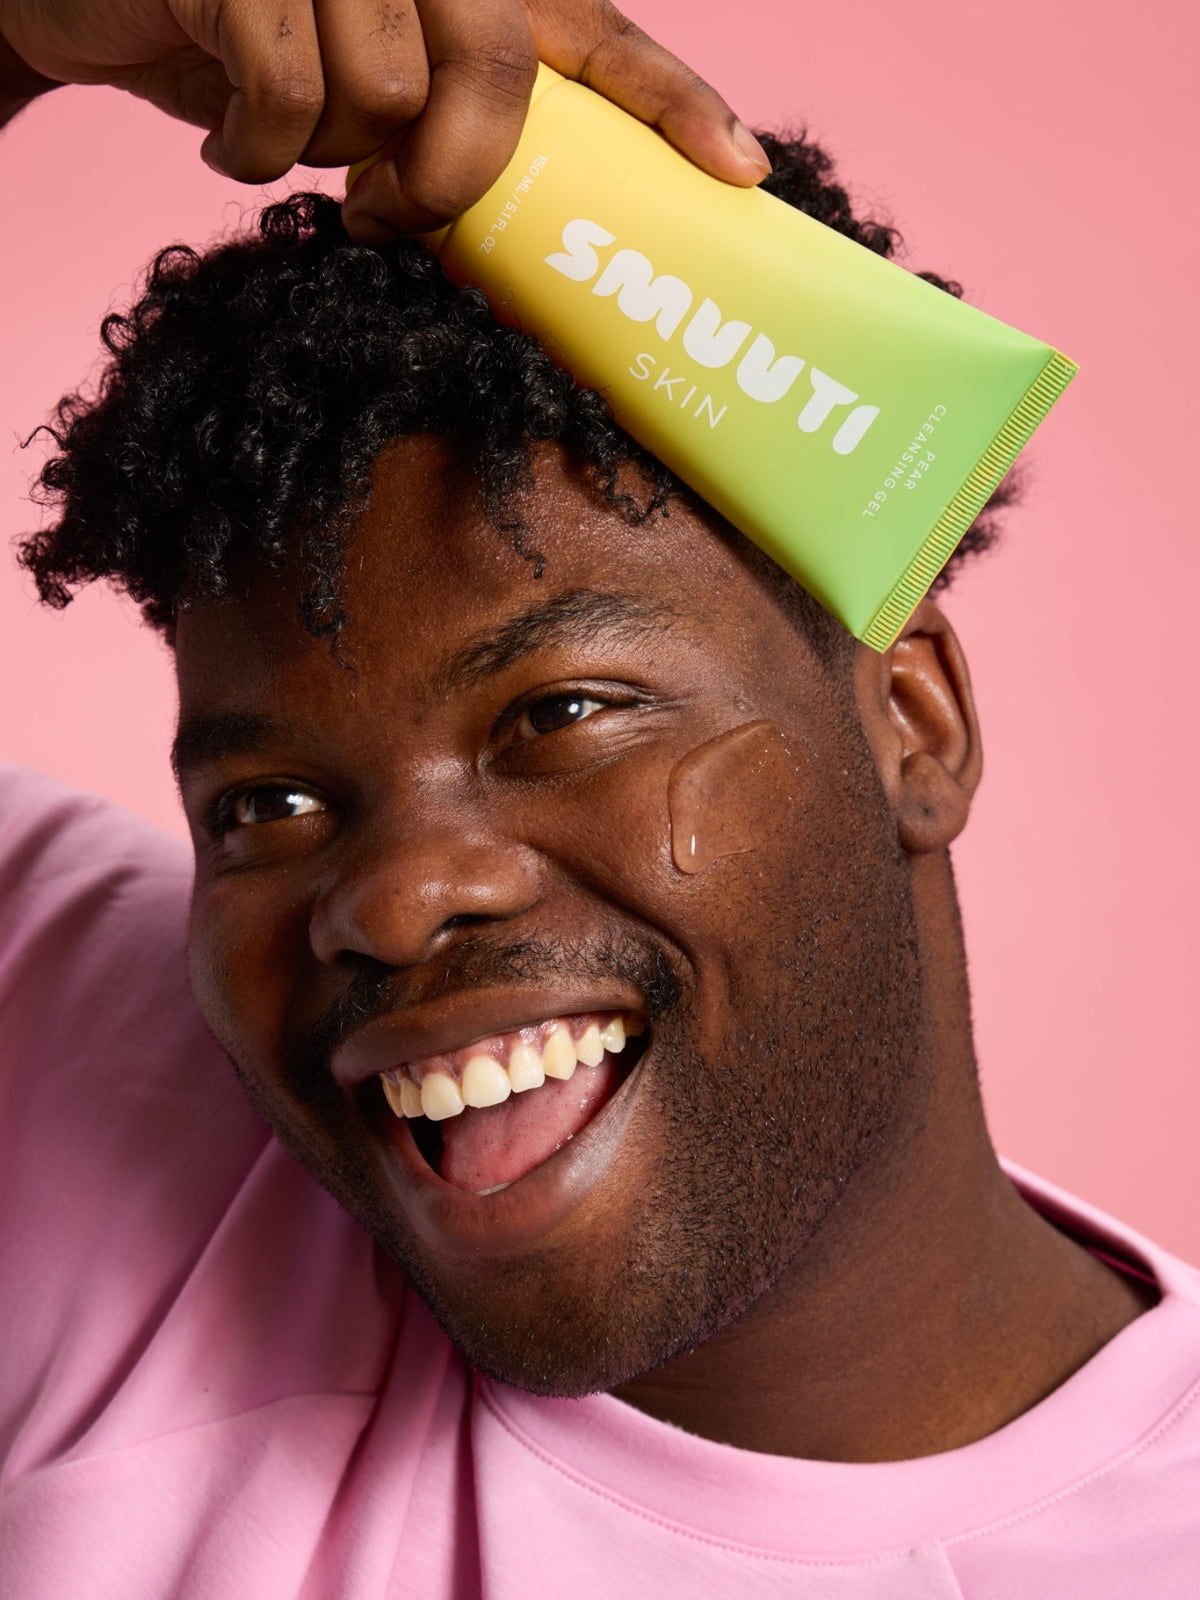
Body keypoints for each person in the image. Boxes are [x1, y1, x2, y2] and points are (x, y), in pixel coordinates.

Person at [1, 2, 1198, 1594]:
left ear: (912, 725)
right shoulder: (95, 1085)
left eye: (558, 716)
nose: (398, 899)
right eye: (267, 807)